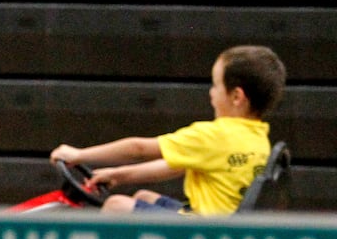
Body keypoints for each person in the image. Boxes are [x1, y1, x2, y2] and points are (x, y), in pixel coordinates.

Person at [50, 45, 286, 216]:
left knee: (115, 206)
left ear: (236, 96)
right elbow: (176, 165)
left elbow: (139, 149)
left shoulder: (214, 136)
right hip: (221, 226)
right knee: (143, 197)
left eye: (215, 86)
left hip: (204, 234)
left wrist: (79, 155)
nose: (211, 93)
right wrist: (118, 175)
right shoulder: (257, 138)